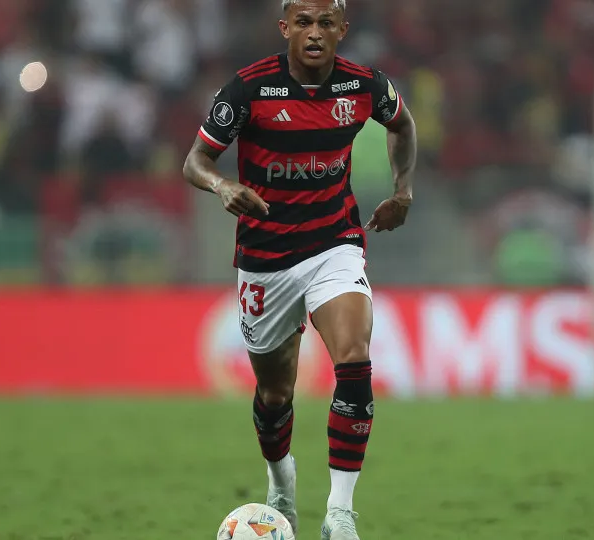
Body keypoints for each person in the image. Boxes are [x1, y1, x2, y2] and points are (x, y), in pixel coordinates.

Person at [182, 1, 417, 538]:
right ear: (285, 28)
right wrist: (222, 186)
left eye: (325, 23)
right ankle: (282, 482)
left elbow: (402, 124)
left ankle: (340, 513)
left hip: (334, 243)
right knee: (274, 395)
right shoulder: (249, 89)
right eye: (304, 23)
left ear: (342, 30)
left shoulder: (364, 85)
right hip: (265, 259)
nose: (314, 33)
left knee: (354, 358)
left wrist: (403, 191)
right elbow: (195, 160)